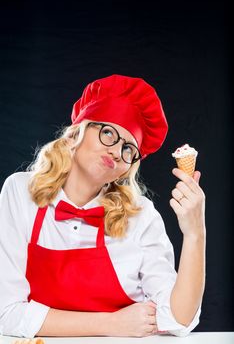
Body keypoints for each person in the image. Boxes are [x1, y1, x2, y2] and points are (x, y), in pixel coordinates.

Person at [0, 74, 206, 338]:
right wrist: (111, 324)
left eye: (128, 148)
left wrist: (194, 234)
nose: (116, 151)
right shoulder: (20, 192)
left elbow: (179, 319)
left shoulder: (140, 215)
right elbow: (6, 312)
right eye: (108, 133)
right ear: (76, 134)